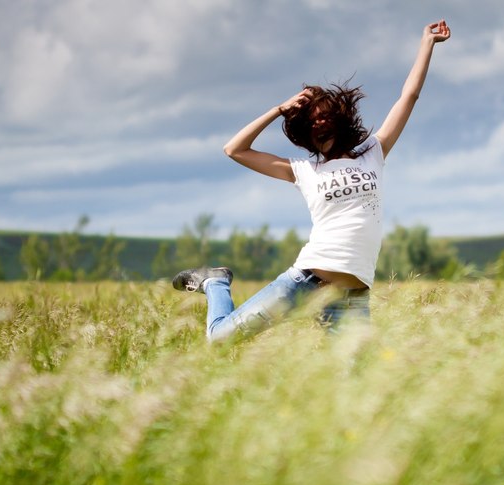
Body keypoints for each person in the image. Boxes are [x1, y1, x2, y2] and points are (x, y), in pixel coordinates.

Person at [173, 20, 451, 343]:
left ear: (339, 119)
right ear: (305, 131)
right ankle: (216, 282)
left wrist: (426, 44)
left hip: (353, 297)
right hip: (304, 282)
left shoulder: (373, 152)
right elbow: (234, 149)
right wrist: (279, 109)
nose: (320, 121)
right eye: (312, 119)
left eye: (325, 114)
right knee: (220, 337)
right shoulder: (303, 170)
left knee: (358, 376)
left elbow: (409, 96)